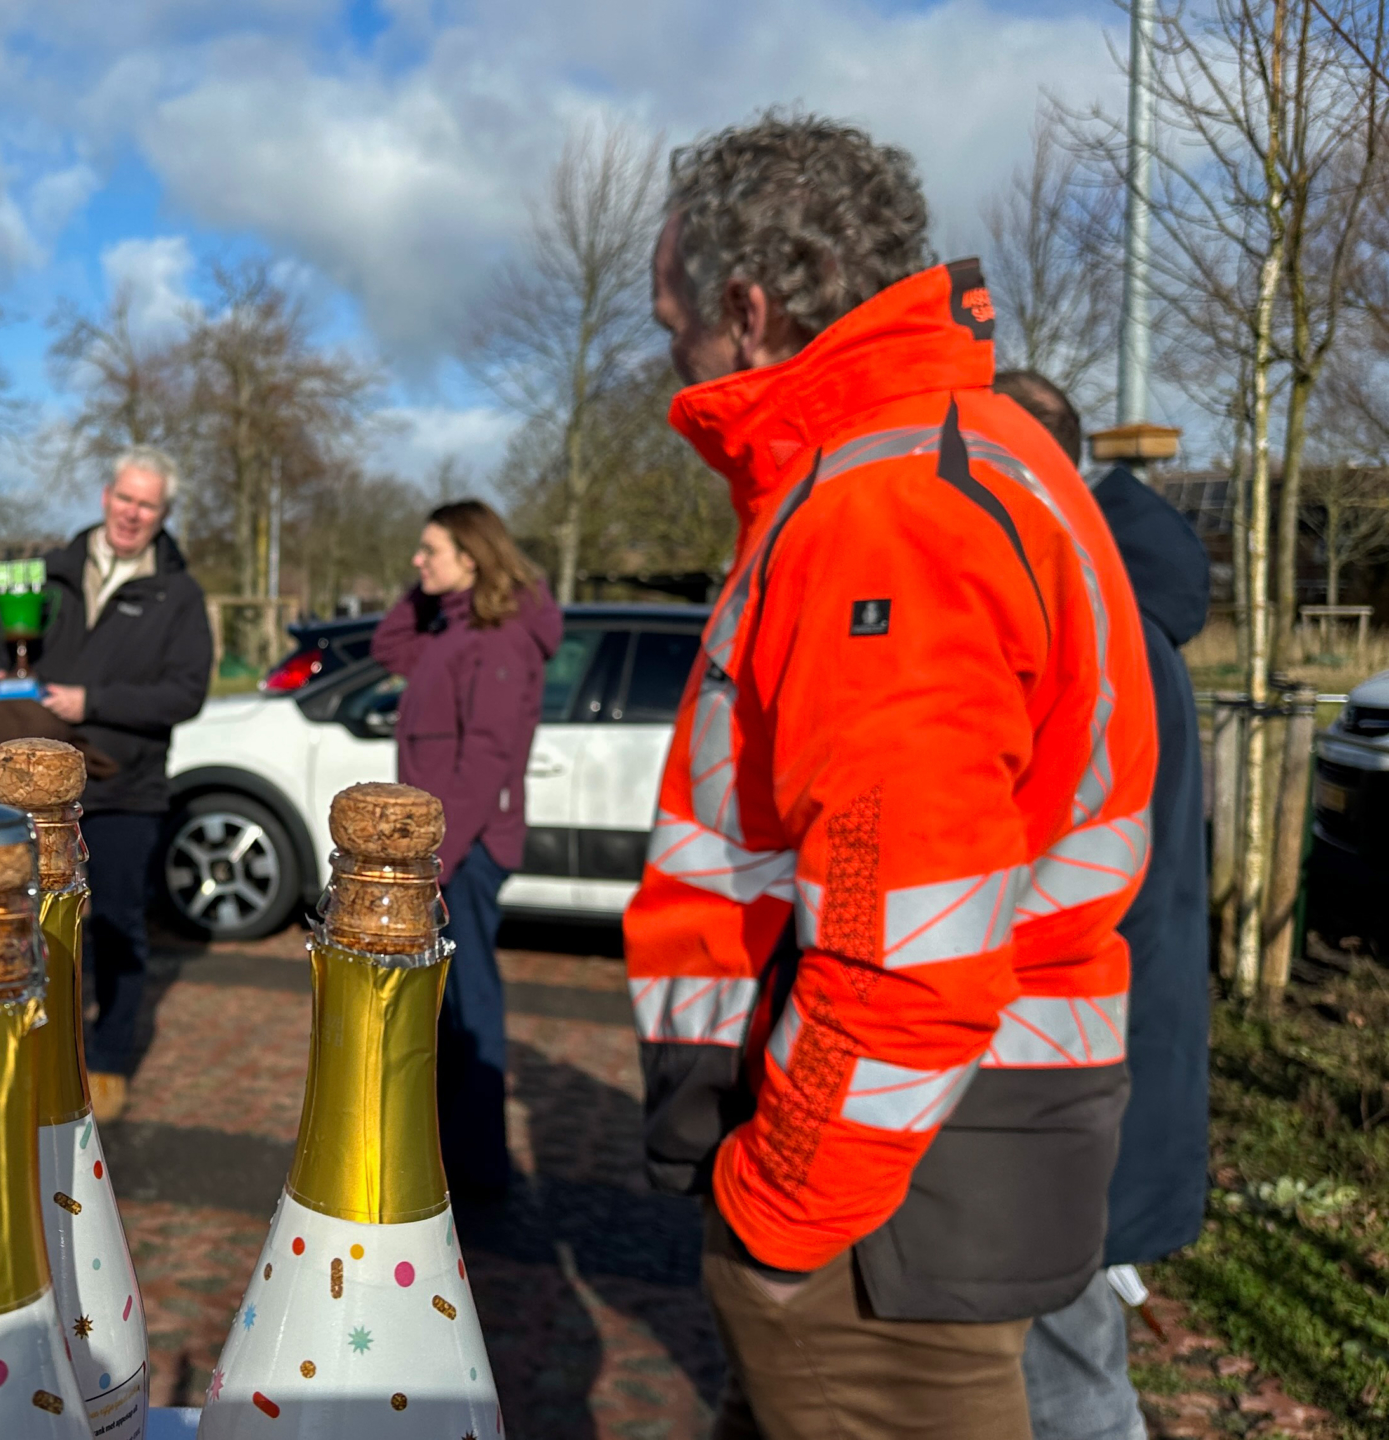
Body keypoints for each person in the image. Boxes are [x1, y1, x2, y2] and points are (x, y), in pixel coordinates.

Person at [620, 113, 1158, 1440]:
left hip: (880, 1209)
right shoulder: (954, 454)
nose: (669, 356)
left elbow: (905, 942)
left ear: (747, 312)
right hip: (933, 1170)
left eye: (672, 321)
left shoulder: (885, 504)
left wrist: (777, 1211)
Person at [994, 370, 1210, 1440]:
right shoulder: (1119, 607)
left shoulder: (1081, 621)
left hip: (1058, 1072)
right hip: (1095, 1060)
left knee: (1065, 1381)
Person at [0, 447, 212, 1120]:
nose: (131, 514)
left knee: (114, 923)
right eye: (124, 498)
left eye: (148, 505)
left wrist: (94, 701)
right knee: (28, 920)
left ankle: (108, 1056)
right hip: (35, 785)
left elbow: (187, 691)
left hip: (125, 786)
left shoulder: (179, 594)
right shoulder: (47, 573)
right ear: (105, 493)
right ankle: (33, 1038)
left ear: (163, 514)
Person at [370, 500, 562, 1202]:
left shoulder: (501, 637)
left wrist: (440, 862)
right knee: (444, 1007)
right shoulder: (452, 627)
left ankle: (480, 1173)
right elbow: (388, 648)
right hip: (447, 847)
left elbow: (486, 760)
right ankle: (447, 1156)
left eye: (431, 550)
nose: (418, 561)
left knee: (470, 1006)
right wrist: (420, 590)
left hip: (468, 850)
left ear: (472, 555)